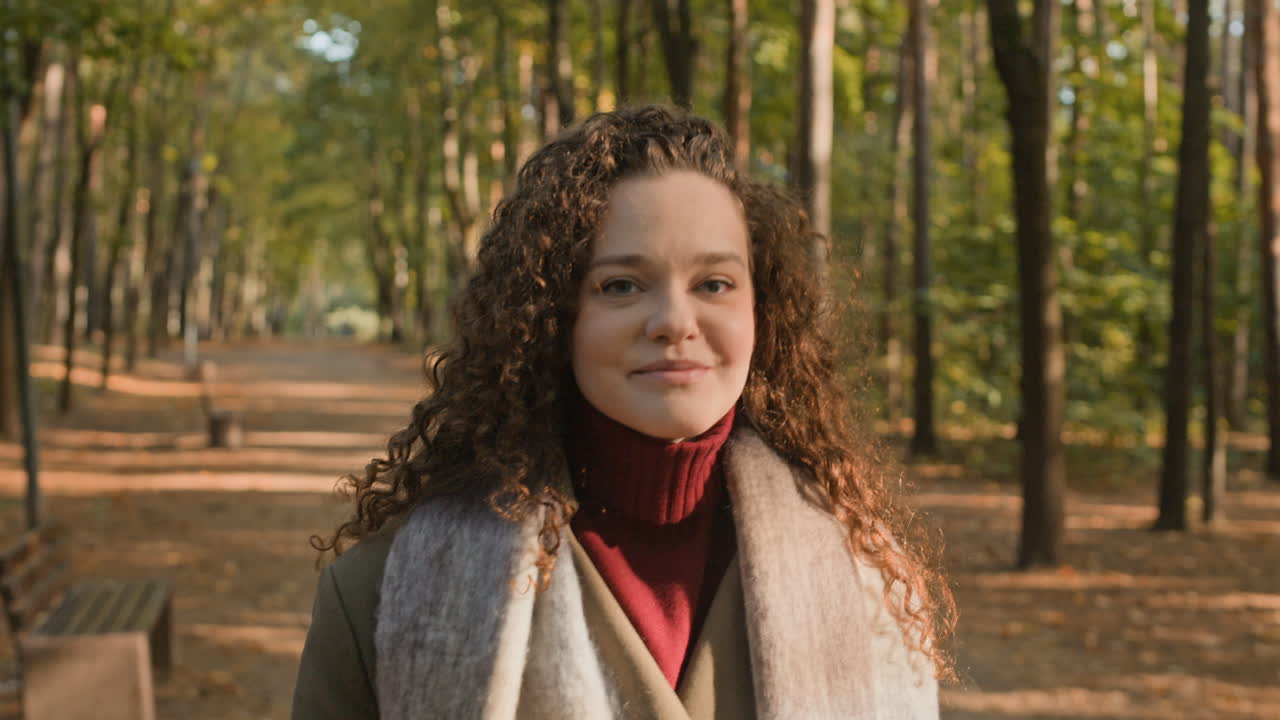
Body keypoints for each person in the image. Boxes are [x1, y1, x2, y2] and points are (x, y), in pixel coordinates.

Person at [291, 105, 955, 720]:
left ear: (763, 312)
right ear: (555, 320)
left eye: (714, 284)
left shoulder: (870, 584)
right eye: (621, 286)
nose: (673, 322)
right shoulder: (384, 597)